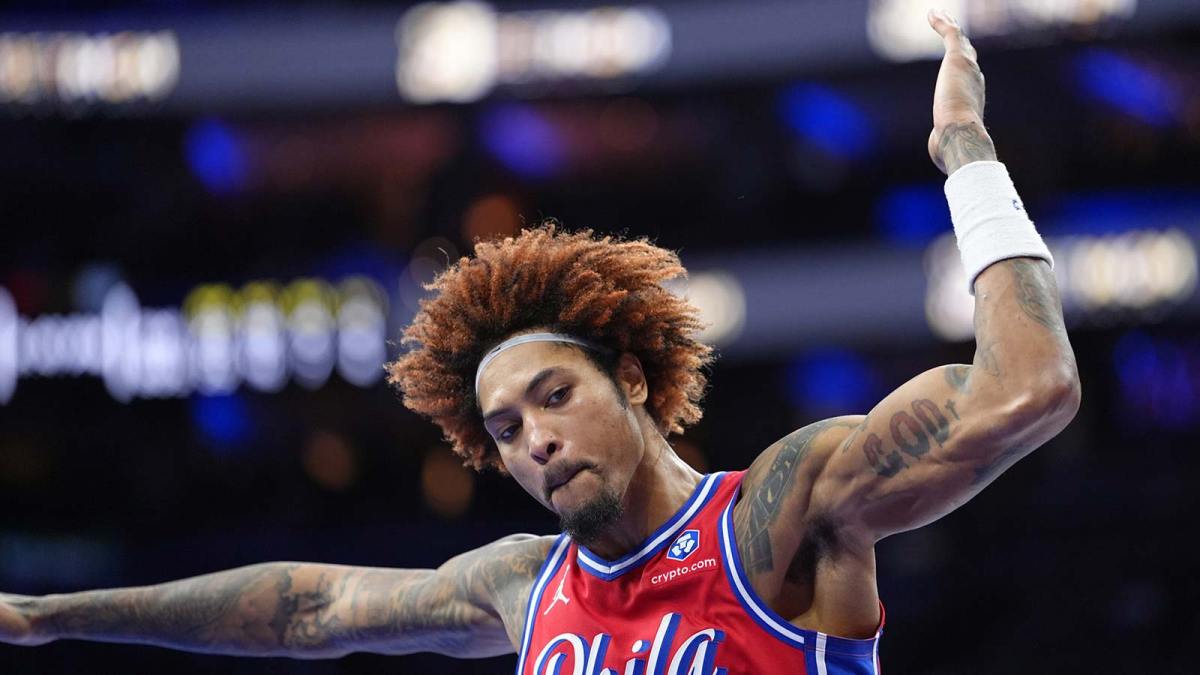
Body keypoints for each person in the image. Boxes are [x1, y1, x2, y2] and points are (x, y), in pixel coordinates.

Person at [0, 11, 1079, 674]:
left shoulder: (776, 515)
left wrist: (966, 155)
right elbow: (308, 606)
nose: (534, 442)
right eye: (506, 429)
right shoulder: (523, 586)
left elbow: (1028, 388)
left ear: (633, 378)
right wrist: (46, 618)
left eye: (555, 397)